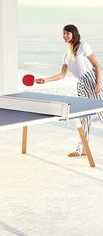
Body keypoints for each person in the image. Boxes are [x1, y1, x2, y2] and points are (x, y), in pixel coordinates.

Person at [36, 24, 103, 157]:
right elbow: (62, 75)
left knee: (102, 113)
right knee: (84, 118)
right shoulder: (66, 55)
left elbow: (97, 65)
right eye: (63, 33)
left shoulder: (84, 46)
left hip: (92, 80)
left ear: (74, 33)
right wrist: (46, 80)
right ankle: (82, 149)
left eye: (67, 33)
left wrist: (98, 83)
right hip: (82, 84)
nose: (65, 36)